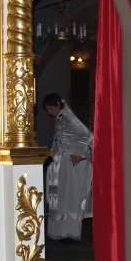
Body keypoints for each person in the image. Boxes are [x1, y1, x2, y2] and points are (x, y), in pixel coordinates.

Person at [44, 93, 93, 242]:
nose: (49, 112)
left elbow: (87, 136)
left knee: (70, 196)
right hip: (59, 164)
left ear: (58, 105)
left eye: (50, 108)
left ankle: (69, 232)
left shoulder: (69, 118)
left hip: (69, 166)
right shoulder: (60, 120)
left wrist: (81, 154)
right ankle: (58, 231)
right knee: (59, 197)